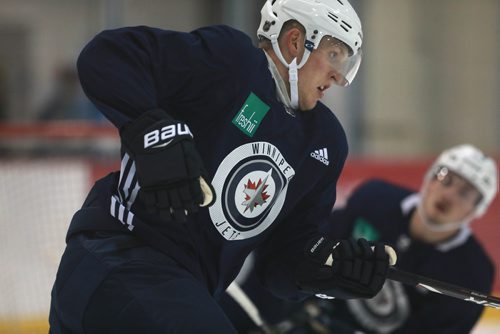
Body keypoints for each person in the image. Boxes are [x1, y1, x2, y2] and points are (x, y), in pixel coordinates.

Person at [48, 1, 396, 333]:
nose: (338, 76)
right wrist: (153, 131)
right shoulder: (233, 62)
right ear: (296, 41)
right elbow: (109, 56)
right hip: (119, 252)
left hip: (176, 290)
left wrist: (330, 268)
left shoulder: (324, 142)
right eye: (334, 55)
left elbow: (280, 264)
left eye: (345, 62)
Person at [222, 144, 498, 334]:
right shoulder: (374, 201)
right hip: (296, 314)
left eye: (465, 193)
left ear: (478, 209)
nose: (449, 195)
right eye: (446, 179)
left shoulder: (471, 272)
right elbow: (300, 255)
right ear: (430, 178)